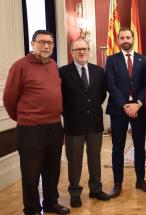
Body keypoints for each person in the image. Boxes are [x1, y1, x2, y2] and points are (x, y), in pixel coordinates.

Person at [3, 30, 70, 215]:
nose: (46, 46)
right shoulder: (20, 66)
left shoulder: (54, 64)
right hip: (31, 129)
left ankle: (51, 203)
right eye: (41, 42)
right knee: (31, 173)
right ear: (33, 44)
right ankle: (31, 209)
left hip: (55, 127)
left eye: (50, 43)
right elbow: (9, 99)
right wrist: (24, 118)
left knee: (52, 169)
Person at [59, 39, 110, 208]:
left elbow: (101, 94)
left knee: (95, 158)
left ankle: (95, 189)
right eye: (78, 49)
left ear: (89, 51)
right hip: (74, 123)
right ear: (72, 52)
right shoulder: (63, 72)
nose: (82, 52)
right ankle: (75, 192)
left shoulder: (98, 71)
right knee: (74, 160)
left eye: (85, 49)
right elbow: (60, 98)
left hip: (94, 122)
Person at [105, 27, 146, 198]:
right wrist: (125, 105)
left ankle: (140, 180)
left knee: (140, 147)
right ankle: (117, 183)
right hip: (118, 110)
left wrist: (138, 104)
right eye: (122, 38)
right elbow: (111, 84)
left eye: (128, 37)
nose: (125, 40)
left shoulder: (144, 59)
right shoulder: (111, 60)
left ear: (133, 39)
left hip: (139, 110)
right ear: (118, 40)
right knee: (117, 148)